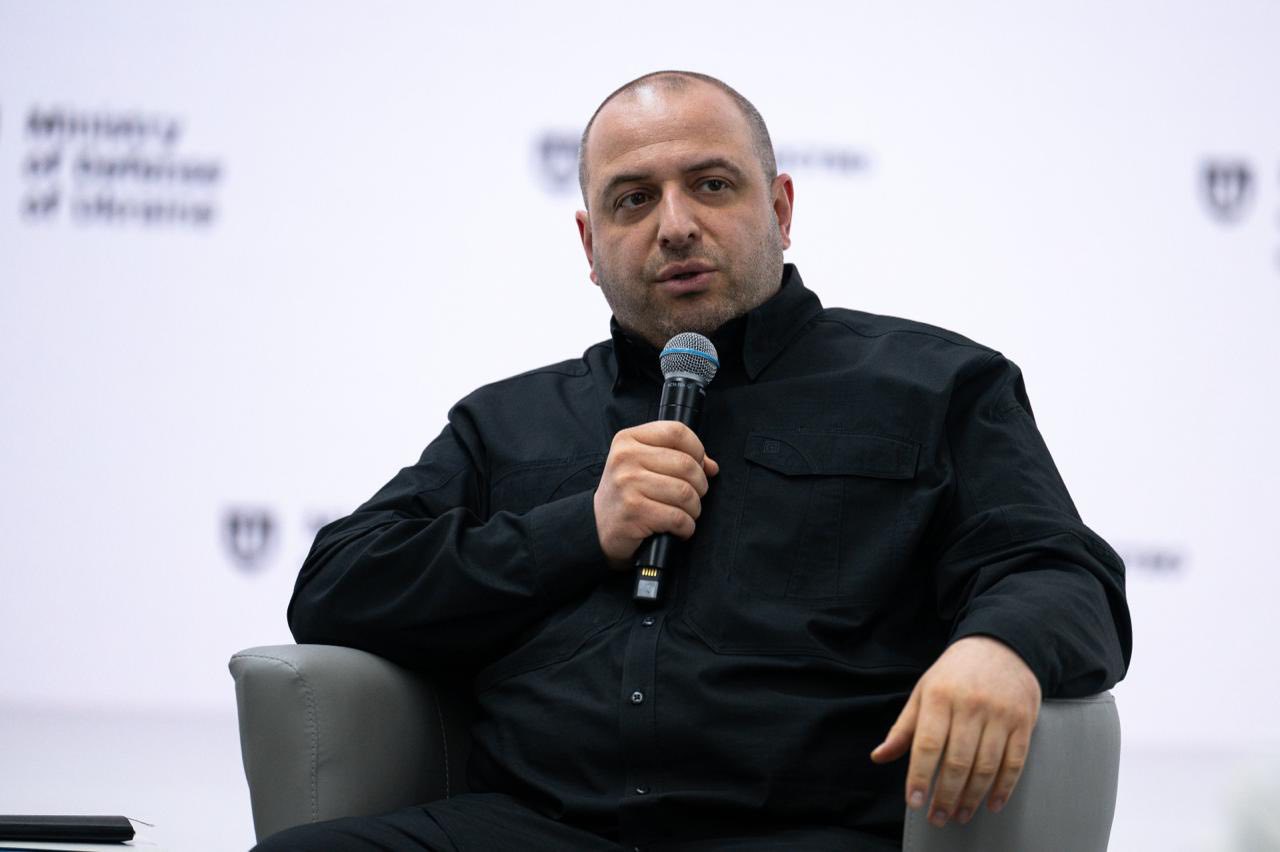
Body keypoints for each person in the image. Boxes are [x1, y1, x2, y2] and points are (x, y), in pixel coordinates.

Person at [262, 71, 1131, 851]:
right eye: (633, 200)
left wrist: (999, 647)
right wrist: (580, 531)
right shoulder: (507, 422)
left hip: (804, 832)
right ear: (589, 245)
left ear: (781, 209)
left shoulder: (935, 385)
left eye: (712, 186)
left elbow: (1058, 572)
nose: (675, 226)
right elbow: (336, 586)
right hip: (536, 825)